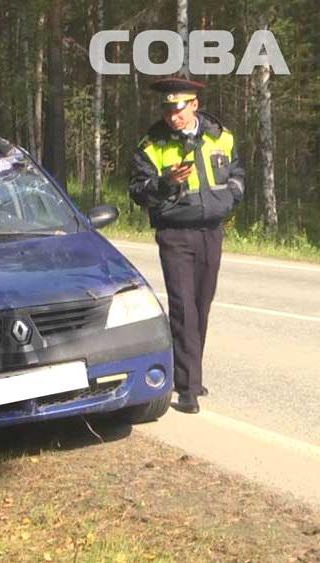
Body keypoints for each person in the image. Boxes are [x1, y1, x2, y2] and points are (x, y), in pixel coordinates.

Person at [129, 77, 245, 414]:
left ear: (194, 105)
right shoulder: (152, 145)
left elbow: (237, 172)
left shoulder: (221, 137)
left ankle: (192, 374)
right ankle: (186, 387)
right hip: (175, 234)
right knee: (183, 310)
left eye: (178, 109)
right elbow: (137, 191)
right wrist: (165, 184)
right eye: (166, 110)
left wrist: (232, 196)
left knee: (201, 306)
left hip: (211, 231)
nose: (172, 116)